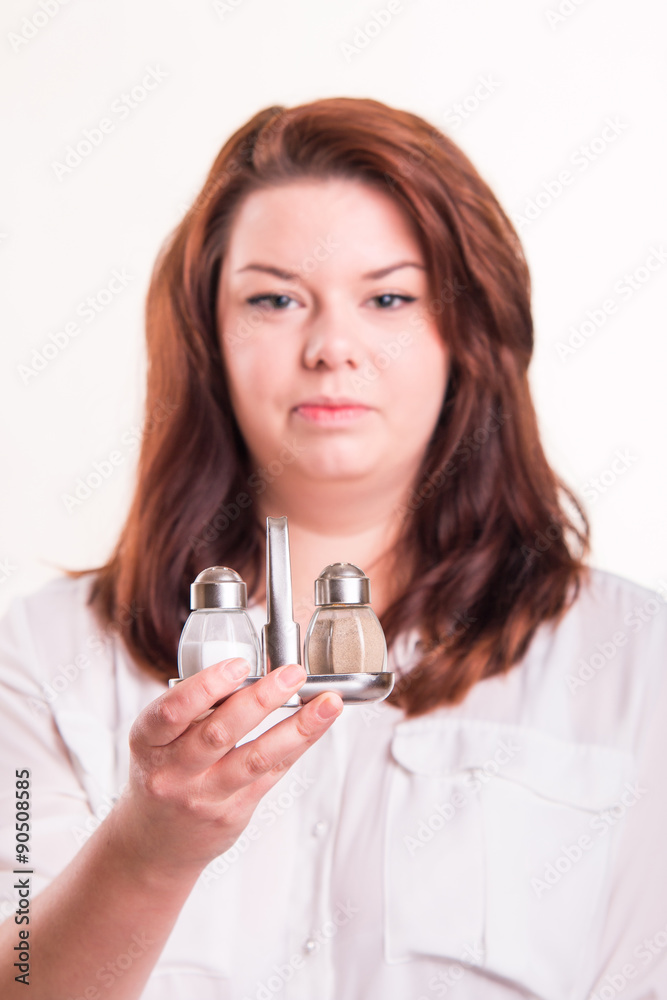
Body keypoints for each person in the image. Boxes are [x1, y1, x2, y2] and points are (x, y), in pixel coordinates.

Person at [1, 96, 666, 1000]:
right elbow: (21, 976)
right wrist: (148, 853)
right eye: (273, 299)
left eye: (388, 297)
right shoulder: (41, 656)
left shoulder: (631, 660)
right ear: (207, 334)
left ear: (467, 333)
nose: (331, 347)